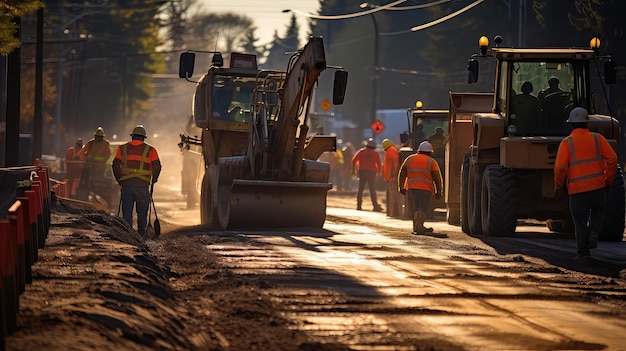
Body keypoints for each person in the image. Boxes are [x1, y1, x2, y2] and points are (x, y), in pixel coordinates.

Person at [554, 107, 617, 263]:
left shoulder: (567, 143)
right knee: (598, 212)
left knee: (580, 222)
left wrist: (558, 185)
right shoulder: (598, 139)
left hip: (577, 192)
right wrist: (608, 180)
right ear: (587, 124)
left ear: (571, 125)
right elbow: (612, 159)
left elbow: (560, 167)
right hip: (597, 188)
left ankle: (584, 253)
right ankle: (594, 233)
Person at [112, 125, 162, 237]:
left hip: (127, 185)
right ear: (143, 138)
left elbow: (115, 165)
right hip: (142, 185)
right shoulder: (150, 150)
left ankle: (128, 234)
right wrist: (154, 178)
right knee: (142, 211)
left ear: (132, 137)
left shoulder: (122, 148)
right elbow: (157, 166)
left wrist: (118, 179)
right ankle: (141, 233)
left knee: (127, 211)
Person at [398, 141, 443, 234]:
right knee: (422, 208)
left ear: (418, 150)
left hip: (411, 189)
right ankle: (419, 227)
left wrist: (401, 187)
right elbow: (437, 178)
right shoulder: (432, 162)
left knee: (414, 208)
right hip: (425, 190)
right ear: (430, 152)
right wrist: (439, 191)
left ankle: (416, 227)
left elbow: (402, 174)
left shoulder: (409, 159)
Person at [351, 138, 383, 212]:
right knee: (372, 189)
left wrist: (353, 170)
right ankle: (375, 206)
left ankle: (359, 205)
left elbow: (354, 160)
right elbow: (379, 163)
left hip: (362, 171)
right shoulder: (375, 153)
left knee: (360, 188)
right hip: (372, 172)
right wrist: (380, 172)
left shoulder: (361, 152)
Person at [382, 138, 400, 217]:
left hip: (392, 177)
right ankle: (391, 212)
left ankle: (393, 213)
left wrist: (393, 175)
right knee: (392, 195)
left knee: (392, 196)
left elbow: (395, 164)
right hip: (391, 177)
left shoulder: (390, 151)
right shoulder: (392, 150)